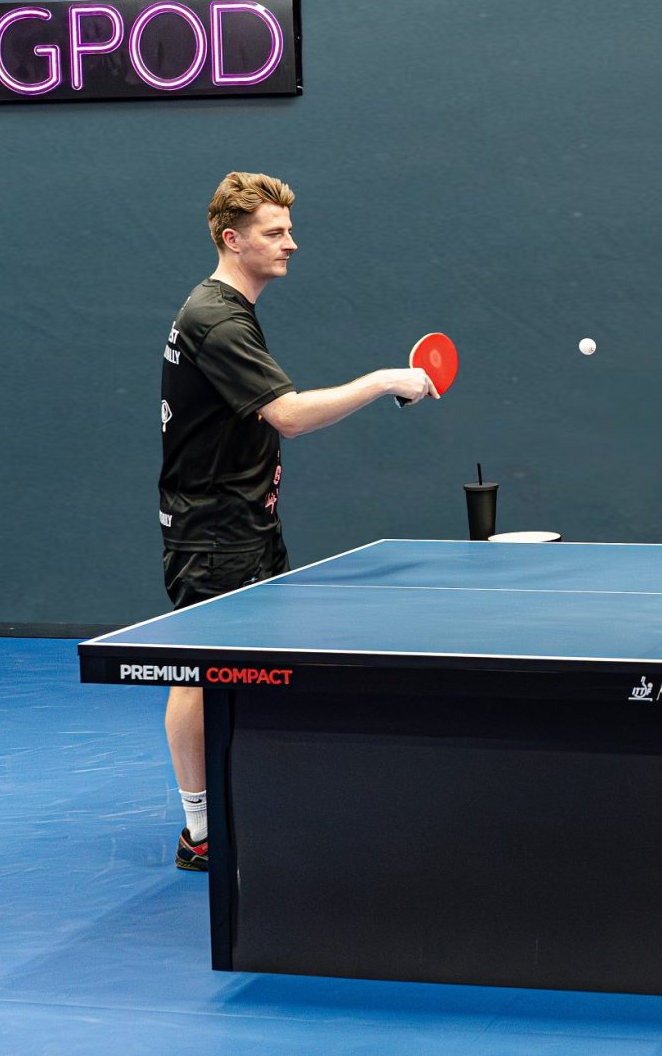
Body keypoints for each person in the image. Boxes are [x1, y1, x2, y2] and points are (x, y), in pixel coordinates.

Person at [158, 172, 437, 870]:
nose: (291, 243)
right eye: (275, 233)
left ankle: (235, 806)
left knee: (230, 669)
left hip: (240, 522)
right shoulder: (216, 318)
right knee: (200, 671)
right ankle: (201, 832)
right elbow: (287, 413)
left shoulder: (227, 308)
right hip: (216, 532)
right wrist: (382, 380)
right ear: (233, 239)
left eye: (288, 228)